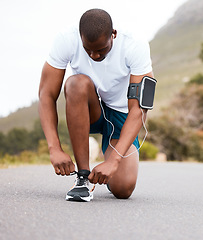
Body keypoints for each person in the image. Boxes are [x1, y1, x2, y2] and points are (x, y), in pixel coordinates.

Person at [38, 8, 154, 202]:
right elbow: (46, 95)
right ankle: (83, 177)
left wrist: (113, 161)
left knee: (123, 189)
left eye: (100, 50)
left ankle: (106, 165)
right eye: (88, 49)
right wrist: (54, 148)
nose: (94, 56)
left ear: (113, 35)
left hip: (121, 113)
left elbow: (139, 109)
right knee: (75, 83)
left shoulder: (135, 45)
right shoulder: (66, 40)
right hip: (89, 109)